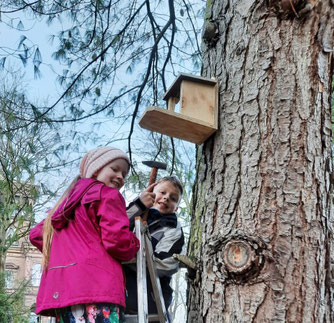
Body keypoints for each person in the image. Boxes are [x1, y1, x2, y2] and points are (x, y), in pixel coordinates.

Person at [29, 146, 140, 323]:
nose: (120, 176)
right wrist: (135, 242)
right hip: (97, 288)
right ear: (95, 170)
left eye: (124, 175)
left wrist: (63, 251)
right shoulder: (107, 195)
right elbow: (117, 241)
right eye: (115, 169)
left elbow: (36, 234)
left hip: (63, 293)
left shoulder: (63, 207)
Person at [125, 176, 185, 321]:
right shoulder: (136, 212)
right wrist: (139, 205)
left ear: (176, 207)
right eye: (162, 193)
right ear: (152, 194)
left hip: (152, 300)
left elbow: (166, 263)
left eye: (172, 198)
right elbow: (117, 224)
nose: (166, 198)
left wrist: (131, 254)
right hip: (120, 295)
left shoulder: (172, 228)